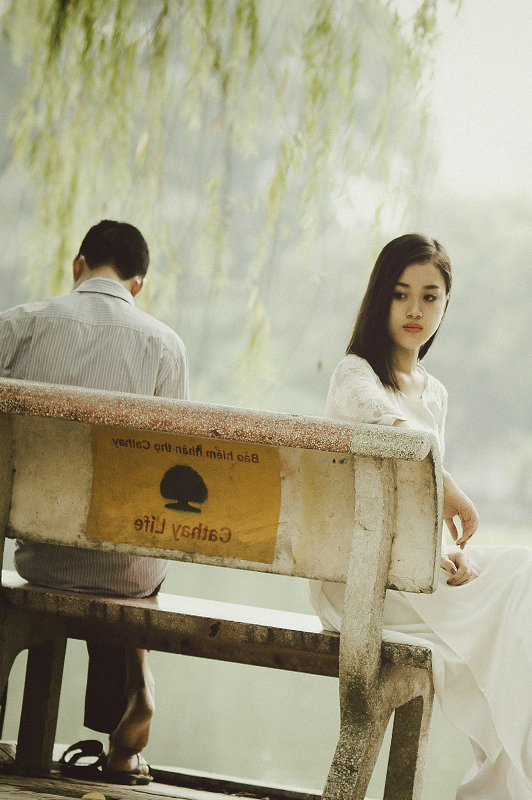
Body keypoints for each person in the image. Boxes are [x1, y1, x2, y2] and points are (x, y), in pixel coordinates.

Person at [309, 233, 532, 800]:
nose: (415, 310)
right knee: (519, 594)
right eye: (401, 294)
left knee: (523, 595)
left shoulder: (435, 394)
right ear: (379, 298)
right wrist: (451, 484)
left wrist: (442, 554)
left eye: (430, 297)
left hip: (409, 569)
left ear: (446, 306)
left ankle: (502, 780)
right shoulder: (355, 375)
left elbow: (415, 510)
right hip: (358, 582)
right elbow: (391, 433)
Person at [0, 220, 189, 785]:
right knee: (132, 567)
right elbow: (168, 469)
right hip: (126, 571)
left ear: (78, 267)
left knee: (86, 561)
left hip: (38, 558)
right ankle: (125, 727)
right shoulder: (164, 345)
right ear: (137, 286)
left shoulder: (16, 326)